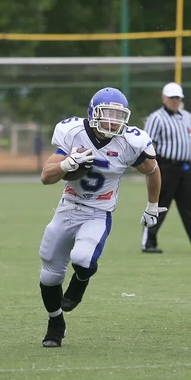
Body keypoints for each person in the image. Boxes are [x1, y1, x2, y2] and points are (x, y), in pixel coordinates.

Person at [38, 87, 166, 347]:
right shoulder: (73, 132)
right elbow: (46, 176)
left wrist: (152, 205)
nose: (113, 121)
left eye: (118, 116)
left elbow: (152, 170)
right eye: (107, 114)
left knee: (82, 258)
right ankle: (55, 322)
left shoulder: (131, 141)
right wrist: (66, 165)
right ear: (93, 113)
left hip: (98, 211)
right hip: (68, 206)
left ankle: (81, 281)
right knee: (49, 275)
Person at [141, 82, 191, 254]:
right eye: (172, 97)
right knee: (159, 205)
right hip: (165, 167)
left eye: (177, 97)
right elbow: (149, 145)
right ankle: (149, 241)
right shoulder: (156, 118)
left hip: (185, 169)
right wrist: (150, 168)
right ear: (164, 98)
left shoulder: (187, 116)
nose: (175, 101)